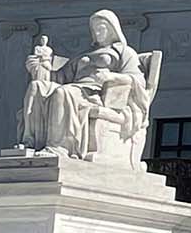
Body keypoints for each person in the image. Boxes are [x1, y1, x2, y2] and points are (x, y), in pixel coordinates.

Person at [18, 10, 156, 162]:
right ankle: (30, 141)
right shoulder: (84, 54)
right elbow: (60, 78)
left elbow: (137, 79)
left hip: (95, 94)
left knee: (64, 93)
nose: (97, 32)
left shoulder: (124, 52)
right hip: (76, 88)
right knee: (37, 87)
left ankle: (60, 146)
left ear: (111, 29)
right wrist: (39, 67)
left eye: (101, 27)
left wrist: (111, 76)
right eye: (94, 29)